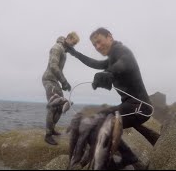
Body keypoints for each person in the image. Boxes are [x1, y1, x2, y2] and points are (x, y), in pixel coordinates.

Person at [66, 27, 159, 168]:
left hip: (139, 107)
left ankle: (116, 161)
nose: (97, 47)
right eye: (94, 45)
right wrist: (74, 53)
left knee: (97, 122)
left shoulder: (121, 50)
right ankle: (126, 157)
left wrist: (109, 72)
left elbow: (125, 62)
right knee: (94, 121)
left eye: (99, 41)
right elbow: (95, 63)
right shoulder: (111, 58)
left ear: (110, 36)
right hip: (129, 105)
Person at [42, 32, 80, 145]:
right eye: (72, 44)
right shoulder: (56, 48)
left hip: (55, 81)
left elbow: (58, 69)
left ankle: (52, 129)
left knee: (61, 105)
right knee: (54, 105)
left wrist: (63, 83)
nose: (72, 47)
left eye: (74, 45)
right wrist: (64, 81)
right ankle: (48, 135)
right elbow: (53, 66)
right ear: (68, 38)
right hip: (49, 79)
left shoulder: (63, 50)